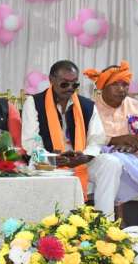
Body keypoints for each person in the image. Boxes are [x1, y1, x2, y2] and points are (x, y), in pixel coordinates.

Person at [21, 60, 122, 217]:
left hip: (79, 162)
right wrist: (52, 159)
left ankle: (104, 220)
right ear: (51, 80)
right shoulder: (34, 103)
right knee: (37, 162)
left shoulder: (87, 105)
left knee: (111, 163)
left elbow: (97, 139)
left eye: (74, 84)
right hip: (48, 163)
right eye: (64, 84)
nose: (70, 88)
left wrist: (85, 156)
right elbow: (30, 143)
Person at [84, 61, 138, 204]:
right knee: (113, 162)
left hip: (137, 159)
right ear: (102, 87)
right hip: (100, 161)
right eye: (115, 84)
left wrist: (137, 147)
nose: (121, 89)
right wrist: (112, 143)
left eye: (125, 84)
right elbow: (83, 141)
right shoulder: (88, 108)